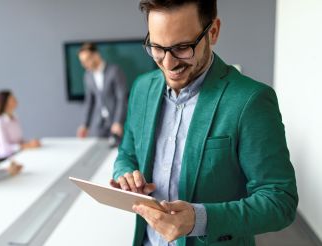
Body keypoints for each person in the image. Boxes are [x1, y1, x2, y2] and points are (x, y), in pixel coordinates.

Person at [110, 1, 298, 246]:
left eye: (182, 47)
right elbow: (127, 153)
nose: (168, 63)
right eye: (157, 47)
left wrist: (199, 220)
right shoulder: (142, 88)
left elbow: (279, 201)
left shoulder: (250, 100)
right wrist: (125, 175)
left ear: (213, 32)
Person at [76, 43, 127, 139]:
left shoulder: (114, 71)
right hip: (100, 124)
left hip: (116, 122)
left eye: (87, 60)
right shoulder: (87, 76)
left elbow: (121, 98)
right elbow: (89, 102)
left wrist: (118, 121)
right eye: (82, 62)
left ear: (96, 55)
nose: (84, 64)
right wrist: (85, 125)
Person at [0, 90, 41, 159]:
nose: (16, 100)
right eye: (12, 98)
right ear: (5, 103)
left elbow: (19, 140)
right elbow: (4, 146)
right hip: (6, 157)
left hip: (19, 154)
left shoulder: (15, 118)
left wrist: (30, 143)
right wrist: (26, 146)